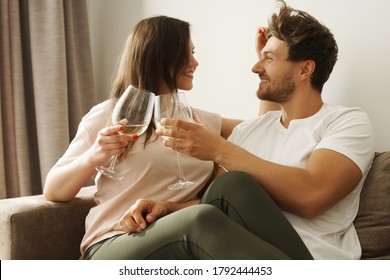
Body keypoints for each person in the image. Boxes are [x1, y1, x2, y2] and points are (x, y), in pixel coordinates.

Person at [130, 1, 375, 260]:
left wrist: (219, 149)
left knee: (234, 184)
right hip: (235, 253)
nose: (255, 68)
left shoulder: (347, 122)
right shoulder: (251, 130)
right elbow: (214, 203)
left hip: (311, 258)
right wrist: (168, 208)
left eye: (268, 59)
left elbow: (312, 196)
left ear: (305, 69)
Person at [43, 15, 241, 259]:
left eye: (193, 52)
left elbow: (263, 129)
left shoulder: (194, 119)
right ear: (160, 56)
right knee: (201, 220)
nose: (195, 62)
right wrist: (94, 155)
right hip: (115, 240)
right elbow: (53, 190)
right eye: (185, 53)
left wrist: (267, 71)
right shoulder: (107, 114)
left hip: (179, 239)